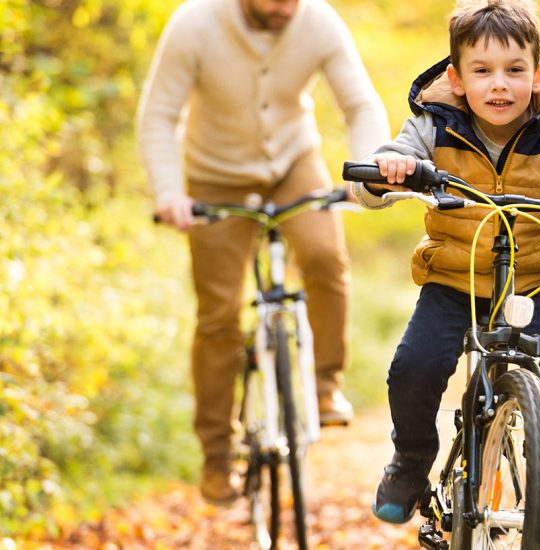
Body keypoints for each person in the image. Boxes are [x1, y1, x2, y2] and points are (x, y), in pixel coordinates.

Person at [350, 1, 540, 546]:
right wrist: (388, 171)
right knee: (414, 367)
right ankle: (411, 459)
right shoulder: (432, 118)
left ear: (537, 74)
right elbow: (382, 170)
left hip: (534, 279)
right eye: (482, 71)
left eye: (515, 70)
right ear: (457, 78)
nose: (500, 85)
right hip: (454, 277)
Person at [136, 0, 389, 506]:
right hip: (215, 177)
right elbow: (159, 115)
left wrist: (368, 173)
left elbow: (360, 105)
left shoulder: (315, 20)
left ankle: (323, 384)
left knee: (324, 257)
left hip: (294, 163)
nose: (288, 8)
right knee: (219, 315)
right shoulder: (195, 24)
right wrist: (169, 192)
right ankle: (216, 454)